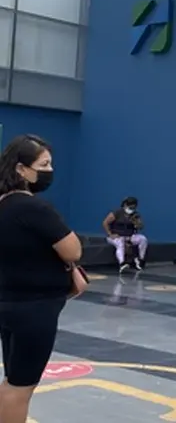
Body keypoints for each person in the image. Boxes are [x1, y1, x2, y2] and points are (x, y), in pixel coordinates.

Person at [0, 134, 82, 423]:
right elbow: (73, 249)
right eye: (43, 164)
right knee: (20, 386)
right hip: (34, 308)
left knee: (13, 379)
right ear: (21, 169)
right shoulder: (33, 208)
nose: (49, 170)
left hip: (9, 301)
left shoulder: (4, 204)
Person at [102, 196, 148, 273]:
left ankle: (141, 260)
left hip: (129, 236)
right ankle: (122, 263)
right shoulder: (117, 213)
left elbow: (141, 227)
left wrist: (137, 222)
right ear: (125, 205)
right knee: (120, 243)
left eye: (133, 208)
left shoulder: (135, 215)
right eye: (130, 207)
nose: (131, 209)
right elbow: (105, 223)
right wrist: (110, 234)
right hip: (116, 236)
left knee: (143, 239)